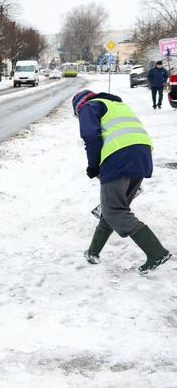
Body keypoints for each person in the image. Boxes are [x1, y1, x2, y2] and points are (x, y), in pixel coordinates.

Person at [73, 89, 171, 274]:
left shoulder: (88, 106)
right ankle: (93, 251)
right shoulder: (117, 105)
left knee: (114, 210)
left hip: (118, 156)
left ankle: (156, 252)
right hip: (142, 154)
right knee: (113, 207)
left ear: (78, 107)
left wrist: (93, 165)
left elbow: (91, 136)